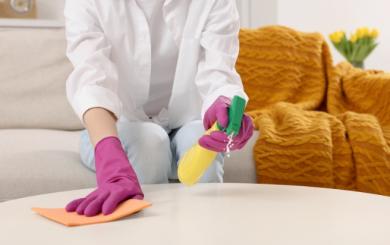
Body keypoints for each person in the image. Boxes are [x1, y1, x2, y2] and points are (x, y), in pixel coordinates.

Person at [63, 0, 254, 217]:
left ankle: (205, 233)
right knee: (149, 143)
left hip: (188, 118)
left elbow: (219, 72)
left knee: (198, 139)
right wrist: (109, 154)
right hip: (121, 125)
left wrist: (226, 109)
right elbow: (92, 82)